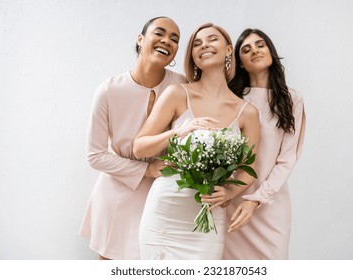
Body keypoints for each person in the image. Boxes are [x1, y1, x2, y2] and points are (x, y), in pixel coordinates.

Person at [132, 23, 260, 260]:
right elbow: (139, 147)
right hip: (165, 212)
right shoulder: (177, 94)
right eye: (197, 44)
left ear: (229, 49)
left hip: (208, 217)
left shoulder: (248, 112)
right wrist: (180, 131)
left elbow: (248, 169)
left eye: (212, 39)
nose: (204, 46)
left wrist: (229, 192)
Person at [78, 16, 186, 260]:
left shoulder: (182, 85)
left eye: (174, 39)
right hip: (118, 190)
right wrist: (146, 171)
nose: (166, 41)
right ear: (141, 39)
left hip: (164, 193)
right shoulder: (109, 90)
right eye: (159, 33)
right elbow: (95, 156)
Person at [224, 28, 306, 259]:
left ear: (270, 51)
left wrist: (256, 200)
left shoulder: (292, 99)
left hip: (271, 204)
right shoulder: (232, 99)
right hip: (233, 201)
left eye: (260, 45)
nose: (255, 51)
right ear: (239, 62)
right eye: (246, 49)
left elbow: (287, 159)